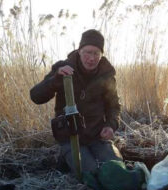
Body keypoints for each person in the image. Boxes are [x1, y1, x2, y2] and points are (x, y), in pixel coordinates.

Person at [30, 29, 123, 175]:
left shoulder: (107, 75)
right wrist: (56, 79)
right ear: (79, 51)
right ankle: (66, 158)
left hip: (97, 136)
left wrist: (110, 126)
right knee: (90, 173)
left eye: (96, 53)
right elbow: (36, 97)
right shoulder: (63, 68)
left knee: (117, 169)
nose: (91, 58)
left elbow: (114, 107)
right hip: (70, 136)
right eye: (87, 52)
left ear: (101, 55)